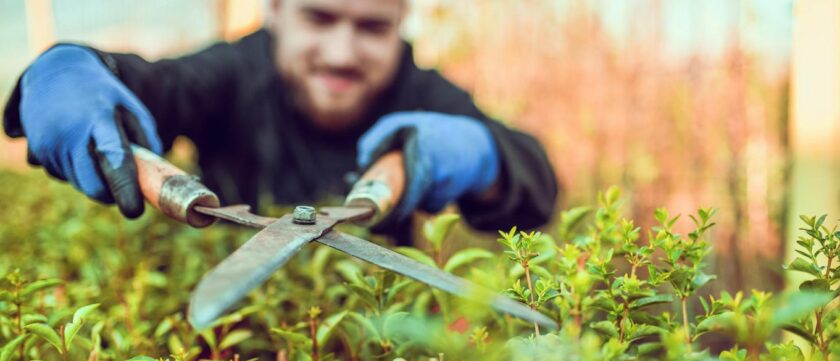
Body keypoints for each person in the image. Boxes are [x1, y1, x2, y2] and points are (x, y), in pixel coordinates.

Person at [3, 0, 557, 244]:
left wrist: (485, 156)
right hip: (234, 349)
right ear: (275, 10)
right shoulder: (235, 69)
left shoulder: (422, 89)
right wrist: (69, 70)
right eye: (318, 17)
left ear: (400, 22)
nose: (341, 52)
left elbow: (537, 186)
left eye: (371, 27)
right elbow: (151, 89)